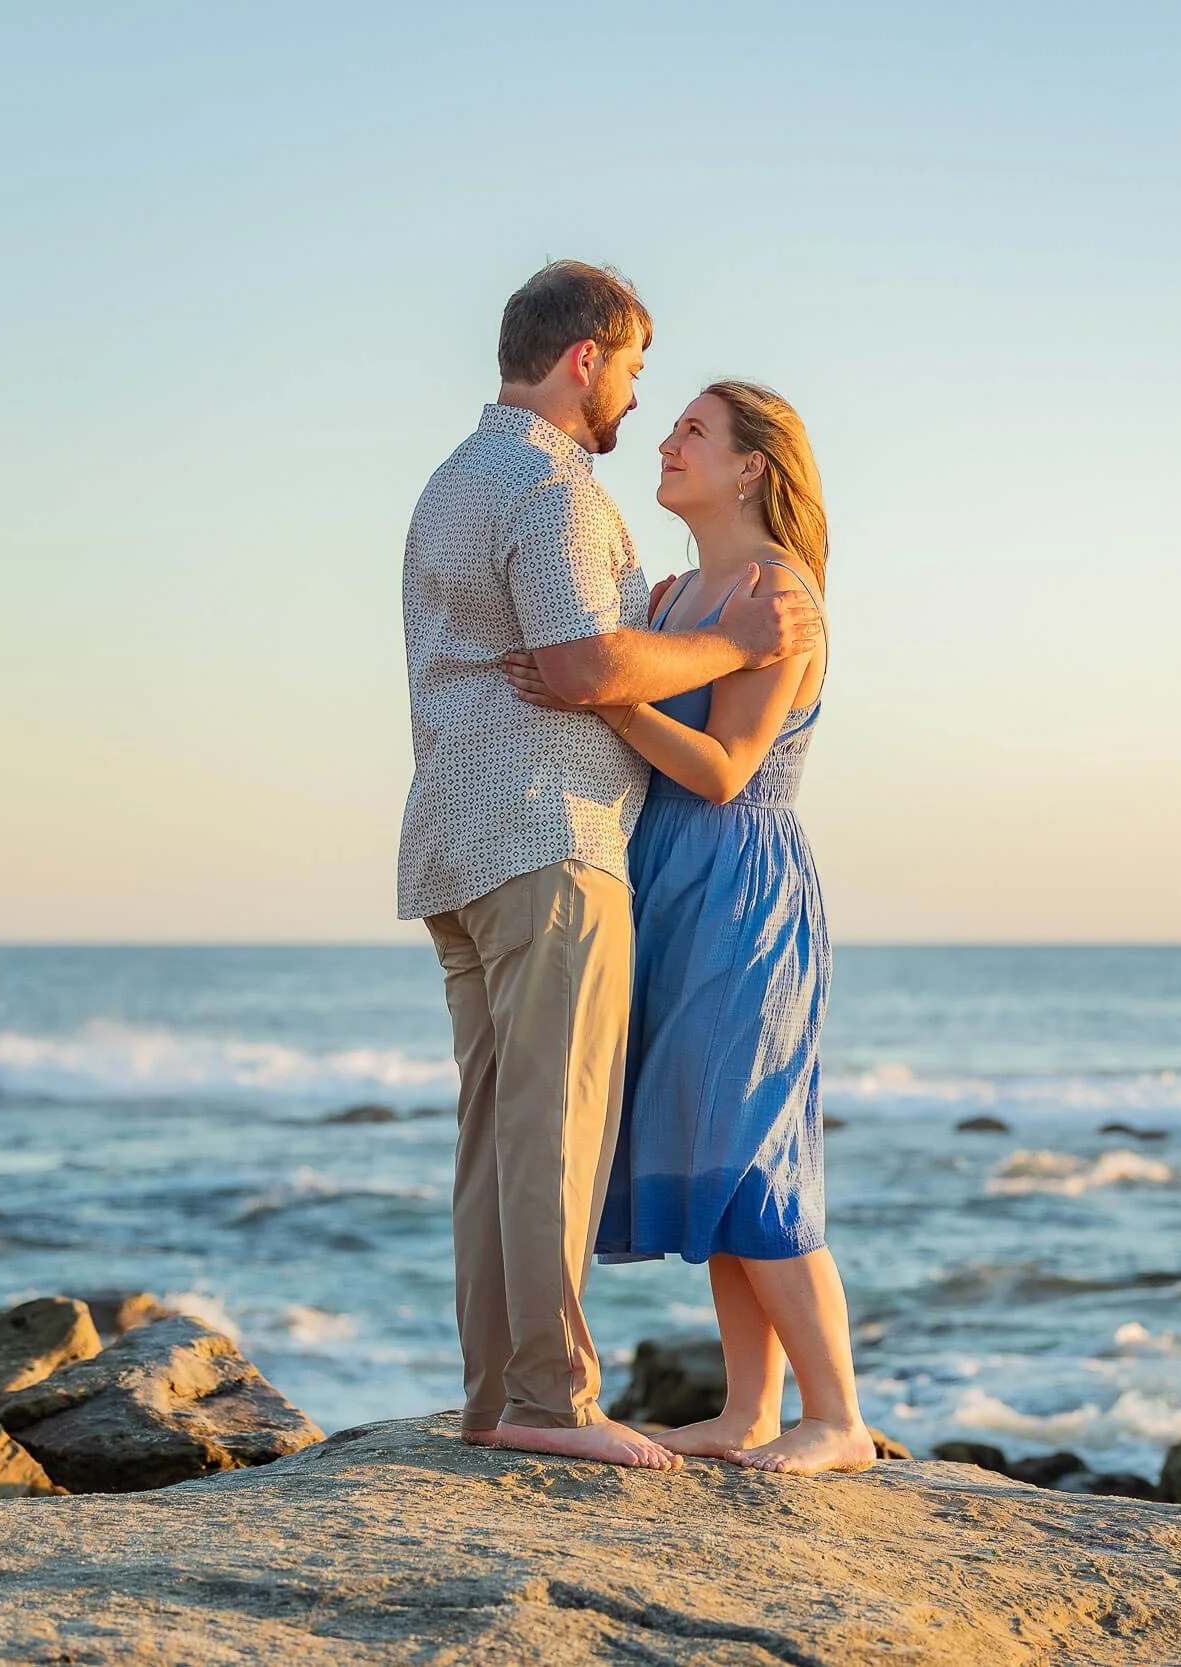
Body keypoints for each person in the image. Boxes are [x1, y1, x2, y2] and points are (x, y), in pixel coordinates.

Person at [398, 263, 822, 1472]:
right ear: (586, 358)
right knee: (554, 1129)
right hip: (548, 837)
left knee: (495, 1128)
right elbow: (582, 664)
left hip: (457, 841)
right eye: (635, 370)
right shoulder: (556, 488)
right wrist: (724, 639)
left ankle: (496, 1396)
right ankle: (547, 1393)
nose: (637, 401)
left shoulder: (451, 481)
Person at [500, 380, 874, 1476]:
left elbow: (723, 770)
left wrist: (600, 694)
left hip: (740, 882)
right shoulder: (669, 595)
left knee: (751, 1145)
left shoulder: (780, 594)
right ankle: (749, 1408)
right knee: (710, 1152)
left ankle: (837, 1415)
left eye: (694, 431)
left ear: (753, 464)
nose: (666, 440)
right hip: (659, 877)